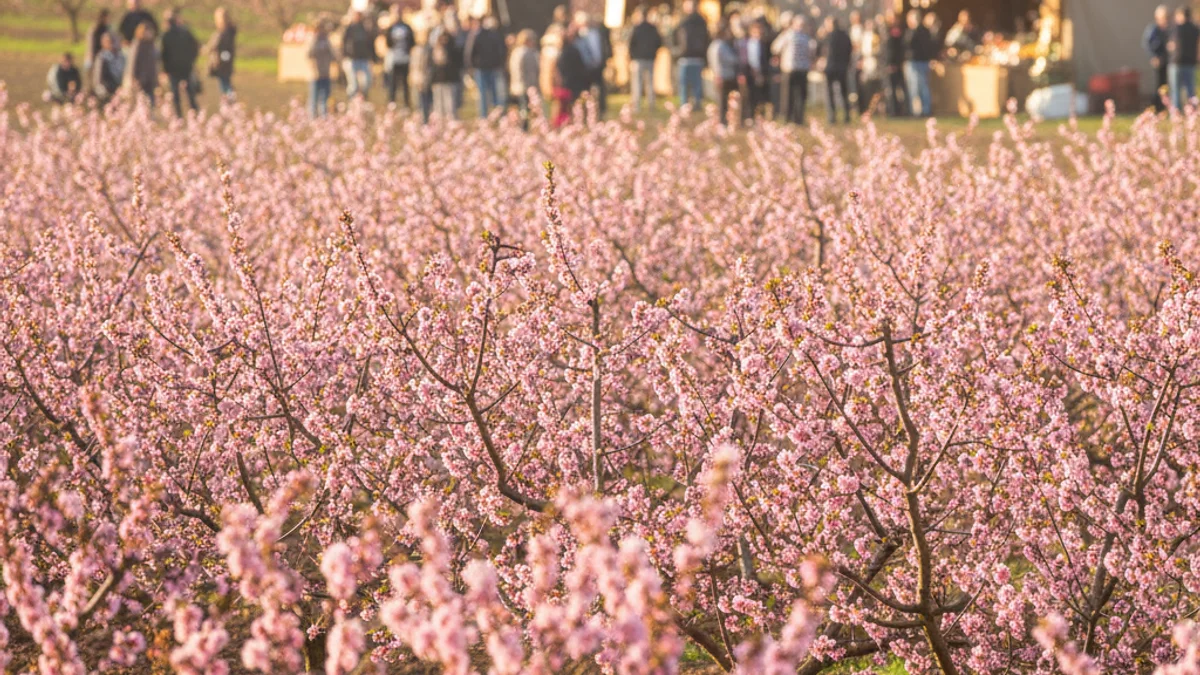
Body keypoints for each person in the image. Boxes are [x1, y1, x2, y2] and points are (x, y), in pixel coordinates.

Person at [772, 15, 813, 124]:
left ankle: (786, 118)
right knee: (800, 96)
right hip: (803, 69)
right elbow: (812, 52)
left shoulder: (788, 35)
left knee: (787, 95)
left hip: (789, 69)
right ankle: (799, 119)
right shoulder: (806, 38)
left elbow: (775, 47)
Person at [464, 14, 507, 118]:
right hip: (486, 68)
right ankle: (494, 116)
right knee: (492, 94)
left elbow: (469, 53)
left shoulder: (479, 35)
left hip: (486, 68)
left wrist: (471, 66)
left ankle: (488, 116)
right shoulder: (493, 35)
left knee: (487, 94)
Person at [161, 9, 200, 118]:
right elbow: (195, 46)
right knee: (190, 93)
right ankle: (195, 114)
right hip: (186, 67)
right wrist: (191, 60)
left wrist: (165, 69)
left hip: (173, 69)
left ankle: (179, 117)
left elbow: (164, 55)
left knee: (175, 95)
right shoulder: (185, 32)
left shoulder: (166, 35)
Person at [673, 0, 710, 110]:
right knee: (693, 85)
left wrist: (677, 51)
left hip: (689, 57)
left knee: (688, 85)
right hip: (692, 57)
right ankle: (692, 104)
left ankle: (688, 105)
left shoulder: (685, 22)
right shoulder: (700, 21)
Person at [574, 12, 612, 117]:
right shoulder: (578, 36)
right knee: (586, 91)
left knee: (600, 90)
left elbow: (604, 47)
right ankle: (586, 112)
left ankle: (601, 111)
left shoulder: (597, 33)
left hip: (598, 66)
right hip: (585, 68)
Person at [627, 6, 663, 112]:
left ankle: (637, 106)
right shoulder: (652, 28)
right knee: (650, 82)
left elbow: (631, 44)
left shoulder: (637, 28)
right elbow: (659, 42)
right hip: (649, 58)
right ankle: (651, 105)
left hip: (639, 59)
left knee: (637, 83)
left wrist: (633, 56)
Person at [553, 27, 588, 126]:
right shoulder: (572, 51)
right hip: (572, 84)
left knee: (565, 109)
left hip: (567, 85)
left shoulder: (564, 52)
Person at [904, 9, 936, 117]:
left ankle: (918, 110)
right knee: (923, 86)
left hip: (915, 62)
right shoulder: (926, 31)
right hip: (922, 61)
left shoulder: (914, 32)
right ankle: (924, 109)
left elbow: (907, 45)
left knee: (917, 87)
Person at [821, 16, 853, 124]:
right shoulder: (845, 36)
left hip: (830, 68)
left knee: (830, 94)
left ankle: (832, 116)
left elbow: (823, 51)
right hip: (842, 67)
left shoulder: (828, 37)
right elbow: (849, 50)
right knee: (844, 92)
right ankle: (847, 115)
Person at [738, 20, 770, 121]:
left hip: (759, 73)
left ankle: (756, 117)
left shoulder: (763, 44)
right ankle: (745, 118)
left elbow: (764, 60)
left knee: (758, 96)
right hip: (748, 72)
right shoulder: (744, 43)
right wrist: (742, 73)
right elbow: (742, 59)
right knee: (746, 96)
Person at [708, 22, 739, 126]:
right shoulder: (720, 45)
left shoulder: (714, 45)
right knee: (723, 101)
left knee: (723, 101)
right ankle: (723, 122)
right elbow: (729, 59)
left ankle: (724, 121)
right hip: (724, 75)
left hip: (722, 75)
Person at [1169, 6, 1199, 110]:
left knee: (1176, 90)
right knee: (1190, 89)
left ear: (1181, 15)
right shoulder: (1195, 29)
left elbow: (1172, 45)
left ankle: (1177, 112)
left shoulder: (1177, 28)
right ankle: (1193, 111)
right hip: (1191, 63)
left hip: (1177, 62)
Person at [509, 29, 540, 129]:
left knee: (523, 108)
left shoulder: (518, 52)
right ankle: (523, 128)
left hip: (520, 85)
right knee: (524, 109)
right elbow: (523, 71)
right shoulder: (525, 53)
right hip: (524, 85)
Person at [343, 10, 376, 100]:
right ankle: (352, 102)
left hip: (363, 59)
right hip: (352, 59)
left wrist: (373, 58)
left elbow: (370, 44)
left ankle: (363, 99)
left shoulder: (365, 29)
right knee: (353, 84)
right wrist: (345, 56)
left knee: (366, 82)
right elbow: (344, 42)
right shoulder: (349, 28)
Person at [384, 5, 414, 108]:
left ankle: (406, 103)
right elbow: (387, 42)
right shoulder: (391, 28)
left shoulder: (407, 27)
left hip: (405, 59)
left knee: (405, 83)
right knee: (393, 83)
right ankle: (392, 102)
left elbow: (412, 42)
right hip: (394, 59)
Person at [430, 30, 462, 119]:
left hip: (450, 81)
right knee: (438, 105)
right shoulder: (435, 50)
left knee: (450, 105)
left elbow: (457, 64)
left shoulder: (453, 50)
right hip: (438, 81)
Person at [1145, 5, 1171, 112]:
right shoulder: (1153, 29)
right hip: (1159, 60)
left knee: (1166, 84)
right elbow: (1148, 44)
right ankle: (1157, 107)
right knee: (1159, 85)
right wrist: (1154, 56)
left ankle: (1165, 106)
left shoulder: (1169, 29)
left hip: (1168, 60)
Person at [126, 20, 159, 106]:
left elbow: (155, 62)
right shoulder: (137, 44)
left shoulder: (152, 44)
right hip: (140, 78)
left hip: (150, 78)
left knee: (150, 102)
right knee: (141, 101)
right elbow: (133, 62)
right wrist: (133, 77)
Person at [307, 19, 335, 118]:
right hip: (316, 74)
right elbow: (310, 55)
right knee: (314, 98)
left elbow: (333, 55)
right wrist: (314, 71)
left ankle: (324, 117)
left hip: (325, 73)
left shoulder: (326, 40)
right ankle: (312, 118)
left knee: (325, 98)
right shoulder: (313, 40)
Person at [206, 7, 236, 97]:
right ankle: (228, 100)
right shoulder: (228, 31)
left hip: (223, 61)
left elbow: (222, 48)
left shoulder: (225, 33)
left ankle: (229, 101)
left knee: (225, 83)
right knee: (225, 82)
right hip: (225, 60)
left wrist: (221, 60)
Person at [884, 12, 908, 116]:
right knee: (893, 89)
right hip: (894, 64)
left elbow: (893, 50)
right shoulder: (888, 31)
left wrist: (892, 64)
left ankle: (897, 110)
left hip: (894, 65)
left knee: (896, 89)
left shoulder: (896, 32)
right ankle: (895, 109)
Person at [93, 31, 125, 104]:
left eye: (114, 41)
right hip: (107, 92)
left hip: (120, 91)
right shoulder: (102, 57)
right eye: (110, 41)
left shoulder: (121, 56)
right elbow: (98, 79)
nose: (113, 44)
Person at [859, 18, 882, 115]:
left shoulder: (876, 36)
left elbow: (877, 50)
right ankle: (866, 107)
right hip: (866, 63)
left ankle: (874, 108)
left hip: (873, 62)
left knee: (874, 86)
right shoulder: (864, 36)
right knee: (865, 86)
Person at [411, 32, 434, 122]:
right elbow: (415, 66)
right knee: (421, 100)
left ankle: (425, 119)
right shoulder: (418, 50)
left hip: (424, 78)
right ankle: (423, 119)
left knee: (424, 100)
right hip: (419, 78)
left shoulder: (427, 50)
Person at [87, 9, 111, 74]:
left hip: (104, 55)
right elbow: (91, 44)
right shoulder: (95, 28)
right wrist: (92, 56)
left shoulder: (107, 28)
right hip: (95, 55)